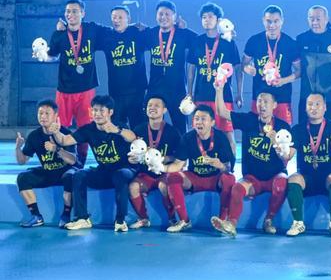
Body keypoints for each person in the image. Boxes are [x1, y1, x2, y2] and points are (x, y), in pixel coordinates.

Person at [210, 85, 292, 237]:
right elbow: (222, 112)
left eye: (266, 101)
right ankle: (231, 224)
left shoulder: (283, 127)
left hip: (274, 176)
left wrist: (276, 144)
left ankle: (269, 220)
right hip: (252, 179)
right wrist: (219, 89)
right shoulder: (249, 120)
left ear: (274, 105)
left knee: (282, 183)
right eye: (259, 101)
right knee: (237, 188)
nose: (262, 105)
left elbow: (286, 157)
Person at [51, 95, 137, 231]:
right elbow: (64, 140)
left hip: (124, 169)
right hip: (104, 172)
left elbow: (132, 137)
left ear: (110, 112)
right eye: (95, 110)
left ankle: (120, 221)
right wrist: (56, 132)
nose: (97, 114)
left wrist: (117, 130)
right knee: (79, 175)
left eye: (102, 111)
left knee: (120, 175)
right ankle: (82, 218)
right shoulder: (88, 129)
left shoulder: (119, 126)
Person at [48, 0, 105, 166]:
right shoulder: (59, 34)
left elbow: (115, 31)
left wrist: (133, 27)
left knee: (86, 127)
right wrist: (42, 54)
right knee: (60, 126)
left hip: (86, 90)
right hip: (64, 90)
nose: (70, 14)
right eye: (67, 11)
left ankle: (81, 160)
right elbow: (51, 55)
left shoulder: (92, 29)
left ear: (83, 13)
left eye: (74, 11)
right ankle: (62, 159)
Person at [161, 105, 235, 233]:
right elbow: (178, 165)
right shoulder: (187, 138)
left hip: (215, 179)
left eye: (203, 119)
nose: (199, 122)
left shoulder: (221, 137)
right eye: (196, 119)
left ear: (212, 122)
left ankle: (222, 220)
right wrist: (160, 167)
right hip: (194, 178)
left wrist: (221, 165)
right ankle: (184, 220)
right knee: (173, 177)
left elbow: (228, 168)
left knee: (229, 179)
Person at [286, 93, 331, 237]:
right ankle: (298, 223)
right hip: (307, 177)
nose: (313, 108)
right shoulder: (297, 129)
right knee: (293, 178)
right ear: (305, 108)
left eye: (317, 104)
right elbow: (288, 155)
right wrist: (281, 150)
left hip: (328, 175)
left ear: (325, 107)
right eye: (310, 104)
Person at [186, 2, 241, 154]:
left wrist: (239, 93)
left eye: (210, 17)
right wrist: (189, 93)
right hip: (201, 94)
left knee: (228, 133)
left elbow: (238, 69)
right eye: (204, 17)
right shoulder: (197, 41)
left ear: (218, 20)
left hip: (223, 96)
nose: (207, 20)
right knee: (199, 133)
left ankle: (230, 166)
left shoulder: (228, 42)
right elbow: (191, 69)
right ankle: (200, 164)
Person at [15, 100, 77, 228]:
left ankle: (66, 215)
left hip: (65, 171)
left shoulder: (65, 133)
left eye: (47, 113)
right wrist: (18, 148)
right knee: (22, 178)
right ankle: (36, 216)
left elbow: (72, 160)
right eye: (40, 113)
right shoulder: (34, 136)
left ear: (55, 115)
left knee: (70, 176)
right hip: (48, 172)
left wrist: (56, 149)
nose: (43, 116)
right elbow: (22, 161)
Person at [141, 0, 197, 133]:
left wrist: (224, 34)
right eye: (160, 14)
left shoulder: (182, 33)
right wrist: (135, 26)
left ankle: (181, 147)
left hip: (177, 89)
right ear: (156, 16)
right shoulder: (150, 33)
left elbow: (202, 40)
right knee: (151, 126)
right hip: (155, 88)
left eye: (167, 14)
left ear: (174, 16)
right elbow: (130, 35)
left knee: (180, 127)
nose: (163, 17)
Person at [128, 95, 182, 229]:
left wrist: (164, 159)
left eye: (157, 106)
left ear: (164, 110)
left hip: (164, 173)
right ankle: (143, 218)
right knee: (133, 187)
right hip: (145, 174)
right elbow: (130, 154)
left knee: (164, 187)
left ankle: (172, 219)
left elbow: (179, 158)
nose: (152, 108)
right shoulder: (138, 130)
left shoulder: (173, 132)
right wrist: (132, 159)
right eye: (149, 105)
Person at [243, 5, 300, 125]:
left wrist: (284, 80)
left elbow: (300, 71)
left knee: (283, 132)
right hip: (259, 97)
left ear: (282, 21)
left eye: (276, 21)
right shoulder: (254, 41)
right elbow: (243, 64)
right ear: (263, 21)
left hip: (282, 97)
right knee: (257, 131)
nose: (272, 25)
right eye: (268, 21)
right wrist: (247, 69)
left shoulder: (290, 43)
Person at [96, 5, 148, 129]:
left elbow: (160, 32)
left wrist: (178, 25)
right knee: (118, 128)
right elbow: (87, 30)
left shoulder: (138, 33)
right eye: (114, 17)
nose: (117, 20)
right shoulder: (107, 35)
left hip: (138, 93)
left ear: (128, 19)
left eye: (120, 17)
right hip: (116, 93)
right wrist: (64, 27)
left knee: (139, 128)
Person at [296, 6, 331, 124]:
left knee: (330, 130)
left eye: (318, 19)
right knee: (303, 130)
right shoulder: (301, 39)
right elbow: (296, 64)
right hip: (306, 96)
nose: (315, 22)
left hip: (329, 97)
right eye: (311, 19)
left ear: (326, 19)